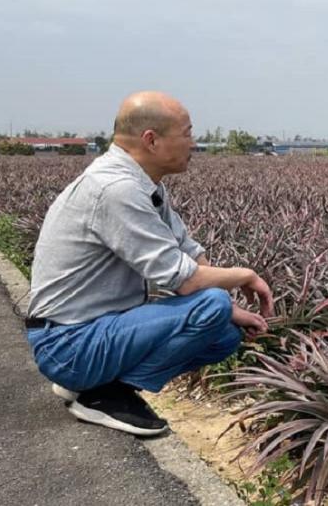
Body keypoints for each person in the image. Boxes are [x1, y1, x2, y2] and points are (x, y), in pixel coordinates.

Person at [25, 91, 274, 436]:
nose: (194, 142)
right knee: (212, 303)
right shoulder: (116, 189)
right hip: (68, 343)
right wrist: (244, 275)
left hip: (95, 330)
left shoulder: (144, 184)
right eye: (187, 133)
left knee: (225, 335)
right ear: (151, 140)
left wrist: (233, 308)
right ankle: (103, 396)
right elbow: (182, 279)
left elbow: (186, 249)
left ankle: (95, 384)